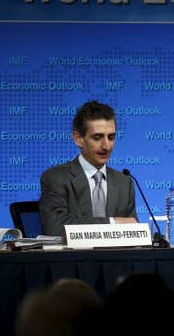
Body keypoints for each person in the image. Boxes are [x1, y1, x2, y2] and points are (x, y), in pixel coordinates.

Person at [39, 100, 138, 236]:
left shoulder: (124, 182)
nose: (106, 146)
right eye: (97, 137)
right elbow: (55, 227)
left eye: (111, 137)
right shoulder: (56, 178)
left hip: (116, 257)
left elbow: (132, 231)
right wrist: (111, 223)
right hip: (73, 257)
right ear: (78, 139)